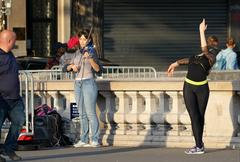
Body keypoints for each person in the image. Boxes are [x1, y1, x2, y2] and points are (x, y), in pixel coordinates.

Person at [167, 19, 220, 154]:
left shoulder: (211, 58)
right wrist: (175, 63)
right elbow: (188, 60)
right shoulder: (198, 55)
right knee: (193, 116)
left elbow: (205, 50)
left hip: (202, 88)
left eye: (213, 47)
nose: (212, 48)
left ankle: (199, 144)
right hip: (188, 86)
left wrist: (201, 31)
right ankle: (198, 145)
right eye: (211, 45)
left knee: (199, 117)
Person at [63, 29, 102, 147]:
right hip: (77, 84)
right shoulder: (76, 53)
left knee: (90, 113)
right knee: (82, 113)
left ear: (89, 40)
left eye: (85, 39)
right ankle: (84, 139)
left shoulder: (92, 51)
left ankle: (95, 139)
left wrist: (89, 58)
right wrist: (71, 67)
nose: (82, 41)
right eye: (80, 39)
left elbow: (98, 69)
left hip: (88, 82)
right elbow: (65, 68)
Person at [0, 30, 26, 161]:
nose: (15, 43)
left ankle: (8, 148)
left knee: (19, 121)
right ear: (9, 41)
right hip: (1, 99)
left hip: (15, 99)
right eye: (14, 41)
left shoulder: (10, 54)